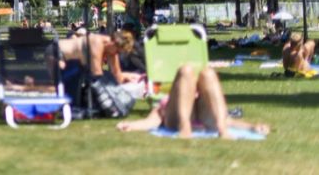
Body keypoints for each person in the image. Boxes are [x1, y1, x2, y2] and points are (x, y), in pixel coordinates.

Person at [117, 65, 269, 138]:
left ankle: (222, 130)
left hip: (208, 119)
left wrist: (253, 127)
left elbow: (228, 119)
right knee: (186, 71)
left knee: (208, 72)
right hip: (177, 118)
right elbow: (152, 120)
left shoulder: (206, 100)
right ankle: (185, 127)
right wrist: (132, 125)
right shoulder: (169, 101)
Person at [58, 30, 141, 84]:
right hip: (58, 54)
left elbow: (117, 74)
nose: (117, 54)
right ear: (114, 42)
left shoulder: (111, 50)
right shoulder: (97, 42)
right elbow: (97, 74)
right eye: (118, 51)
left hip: (73, 63)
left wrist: (131, 78)